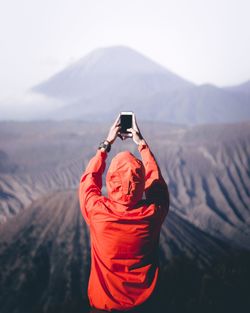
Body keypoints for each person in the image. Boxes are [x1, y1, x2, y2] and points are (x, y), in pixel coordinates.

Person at [78, 113, 170, 312]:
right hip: (147, 306)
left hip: (104, 306)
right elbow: (157, 185)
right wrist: (141, 143)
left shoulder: (97, 212)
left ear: (110, 181)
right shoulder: (153, 213)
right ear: (141, 184)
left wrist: (106, 144)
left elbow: (89, 180)